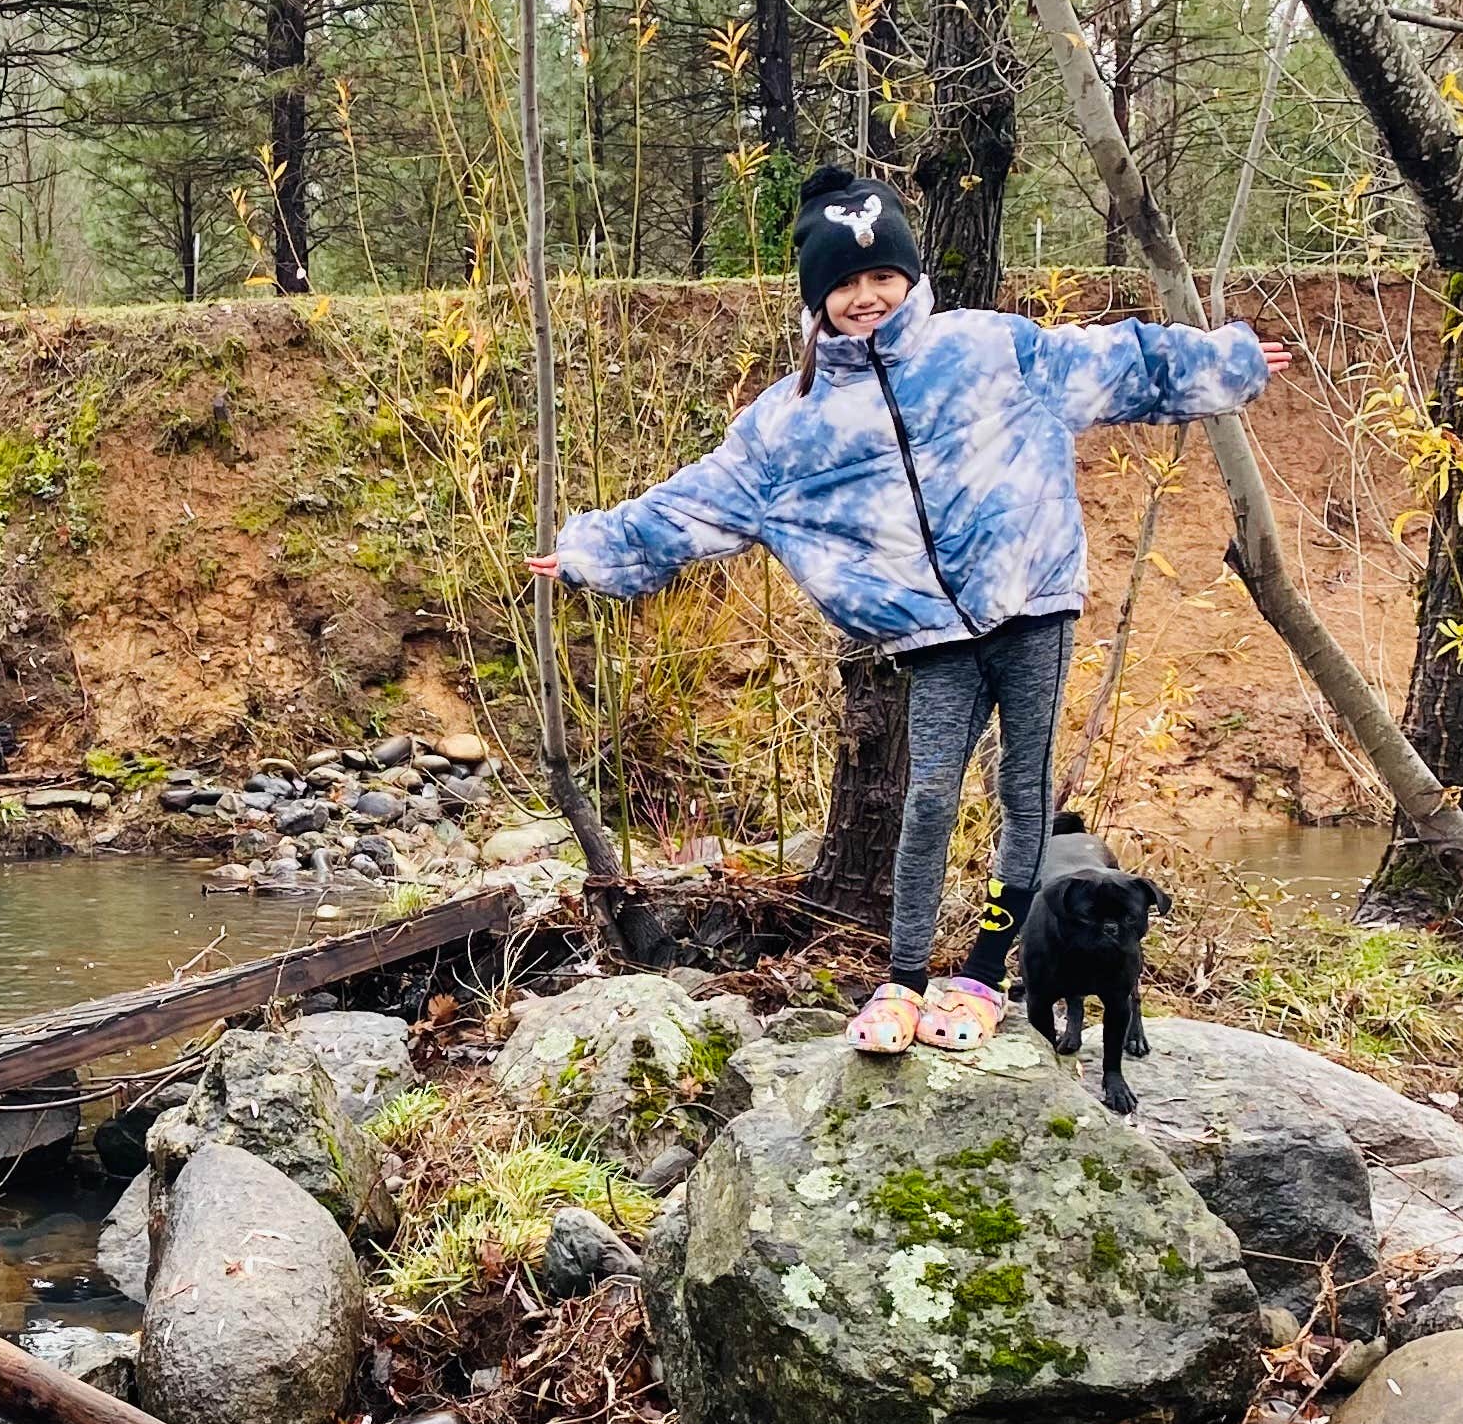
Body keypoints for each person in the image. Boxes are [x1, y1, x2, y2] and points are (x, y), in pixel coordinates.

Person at [532, 166, 1283, 1055]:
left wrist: (1223, 360)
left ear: (911, 277)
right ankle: (903, 978)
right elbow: (697, 502)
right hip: (929, 635)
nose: (867, 296)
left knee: (1023, 793)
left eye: (882, 276)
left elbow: (1110, 362)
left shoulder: (987, 350)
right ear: (817, 298)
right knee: (928, 798)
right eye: (845, 283)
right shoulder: (792, 423)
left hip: (1032, 603)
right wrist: (592, 550)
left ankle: (987, 972)